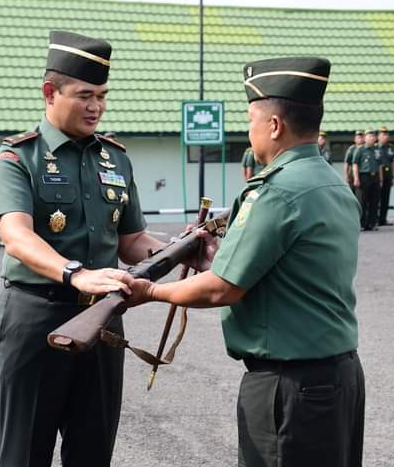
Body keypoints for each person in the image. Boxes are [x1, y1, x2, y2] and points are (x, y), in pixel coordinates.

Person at [127, 56, 365, 467]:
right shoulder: (330, 182)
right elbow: (285, 270)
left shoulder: (276, 190)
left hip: (289, 386)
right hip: (337, 378)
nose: (248, 129)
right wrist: (216, 260)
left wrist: (149, 290)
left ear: (274, 126)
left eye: (251, 118)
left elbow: (223, 288)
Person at [0, 30, 167, 467]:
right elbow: (16, 234)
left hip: (102, 321)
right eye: (85, 95)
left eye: (103, 96)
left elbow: (131, 242)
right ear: (50, 92)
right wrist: (74, 273)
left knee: (93, 450)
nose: (96, 107)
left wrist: (181, 252)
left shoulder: (115, 159)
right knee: (25, 452)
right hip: (36, 318)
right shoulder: (16, 158)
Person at [353, 128, 383, 231]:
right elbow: (355, 164)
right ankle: (362, 224)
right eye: (369, 136)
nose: (371, 138)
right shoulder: (360, 149)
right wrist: (356, 178)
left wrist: (381, 179)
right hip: (364, 176)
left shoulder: (377, 150)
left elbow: (380, 165)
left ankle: (372, 223)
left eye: (373, 136)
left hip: (375, 177)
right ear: (365, 138)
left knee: (374, 201)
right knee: (362, 201)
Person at [376, 126, 394, 226]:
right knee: (376, 199)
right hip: (378, 176)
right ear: (378, 136)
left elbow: (393, 162)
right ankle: (375, 218)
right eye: (383, 134)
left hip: (388, 176)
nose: (386, 136)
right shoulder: (375, 147)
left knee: (385, 198)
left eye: (387, 134)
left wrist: (393, 176)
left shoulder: (390, 148)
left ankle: (383, 219)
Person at [343, 130, 364, 196]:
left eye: (361, 137)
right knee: (352, 194)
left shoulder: (365, 149)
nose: (360, 139)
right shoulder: (352, 149)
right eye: (358, 137)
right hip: (352, 175)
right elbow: (346, 163)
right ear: (355, 139)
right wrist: (346, 176)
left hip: (362, 175)